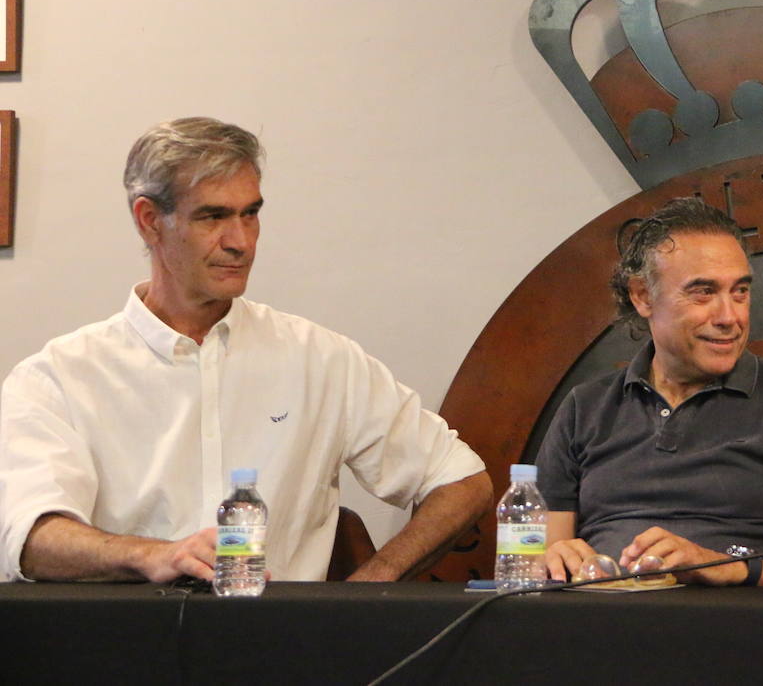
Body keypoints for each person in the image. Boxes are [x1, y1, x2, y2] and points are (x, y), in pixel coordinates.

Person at [0, 117, 493, 584]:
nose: (241, 242)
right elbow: (28, 538)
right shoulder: (59, 377)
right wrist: (150, 555)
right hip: (126, 650)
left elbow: (461, 480)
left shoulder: (319, 359)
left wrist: (372, 584)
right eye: (213, 216)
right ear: (150, 221)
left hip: (285, 653)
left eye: (251, 214)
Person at [535, 197, 763, 587]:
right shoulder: (583, 408)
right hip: (600, 620)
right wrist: (553, 558)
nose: (730, 317)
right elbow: (538, 561)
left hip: (736, 629)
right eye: (703, 292)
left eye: (740, 292)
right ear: (643, 296)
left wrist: (722, 566)